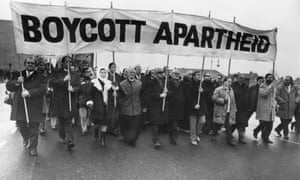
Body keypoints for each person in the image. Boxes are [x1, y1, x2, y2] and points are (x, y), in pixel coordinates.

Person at [6, 56, 47, 156]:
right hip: (21, 106)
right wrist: (17, 82)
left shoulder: (41, 76)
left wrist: (29, 92)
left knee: (34, 127)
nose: (30, 65)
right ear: (25, 64)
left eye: (32, 63)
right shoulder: (19, 74)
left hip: (34, 106)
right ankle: (26, 138)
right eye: (28, 63)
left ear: (35, 65)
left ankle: (33, 147)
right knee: (21, 125)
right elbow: (9, 86)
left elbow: (42, 90)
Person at [49, 56, 80, 150]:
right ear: (62, 63)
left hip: (69, 101)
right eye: (66, 61)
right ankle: (62, 136)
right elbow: (52, 82)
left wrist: (73, 89)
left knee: (68, 120)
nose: (68, 63)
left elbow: (79, 86)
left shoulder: (75, 74)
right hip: (59, 100)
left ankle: (70, 140)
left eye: (70, 61)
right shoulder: (57, 72)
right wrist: (64, 80)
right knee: (61, 121)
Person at [146, 68, 172, 149]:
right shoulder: (151, 83)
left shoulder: (166, 82)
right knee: (155, 123)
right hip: (154, 105)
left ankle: (157, 137)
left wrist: (167, 92)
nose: (161, 74)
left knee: (160, 123)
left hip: (163, 106)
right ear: (156, 74)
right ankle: (155, 140)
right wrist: (160, 95)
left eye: (162, 73)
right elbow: (149, 94)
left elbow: (171, 93)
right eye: (159, 73)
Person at [86, 68, 111, 147]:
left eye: (104, 72)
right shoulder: (94, 82)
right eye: (101, 72)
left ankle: (103, 140)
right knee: (97, 123)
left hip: (106, 106)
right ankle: (96, 132)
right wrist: (90, 101)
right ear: (99, 73)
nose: (103, 74)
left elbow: (112, 94)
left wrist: (114, 92)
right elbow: (89, 93)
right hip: (97, 106)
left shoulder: (109, 83)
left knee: (105, 123)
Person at [119, 68, 142, 146]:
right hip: (126, 106)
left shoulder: (139, 84)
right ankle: (126, 137)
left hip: (136, 106)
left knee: (135, 124)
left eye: (133, 73)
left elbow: (142, 95)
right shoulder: (122, 84)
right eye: (130, 72)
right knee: (126, 124)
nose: (132, 74)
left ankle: (133, 139)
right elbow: (120, 96)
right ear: (127, 74)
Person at [212, 77, 237, 146]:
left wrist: (234, 109)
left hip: (228, 110)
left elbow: (233, 101)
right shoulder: (218, 89)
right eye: (228, 81)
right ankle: (214, 134)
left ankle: (229, 141)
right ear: (224, 82)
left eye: (231, 82)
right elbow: (214, 98)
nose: (230, 83)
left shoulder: (231, 90)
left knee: (228, 126)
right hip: (221, 110)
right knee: (217, 123)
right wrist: (223, 100)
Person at [186, 71, 208, 146]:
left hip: (201, 106)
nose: (199, 76)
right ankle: (193, 138)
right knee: (193, 124)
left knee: (202, 121)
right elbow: (188, 96)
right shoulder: (189, 85)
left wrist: (203, 91)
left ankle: (197, 134)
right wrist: (194, 105)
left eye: (200, 75)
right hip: (193, 107)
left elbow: (207, 94)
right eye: (198, 75)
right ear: (194, 76)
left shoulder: (202, 84)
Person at [255, 73, 278, 144]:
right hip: (264, 108)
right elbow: (264, 94)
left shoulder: (273, 87)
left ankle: (266, 138)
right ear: (266, 78)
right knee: (264, 123)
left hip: (271, 109)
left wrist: (276, 104)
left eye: (271, 78)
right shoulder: (262, 86)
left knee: (270, 125)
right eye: (268, 77)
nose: (270, 79)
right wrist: (270, 87)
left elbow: (274, 97)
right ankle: (256, 130)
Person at [231, 75, 251, 144]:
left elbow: (248, 96)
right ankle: (229, 134)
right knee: (233, 123)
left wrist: (248, 105)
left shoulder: (246, 87)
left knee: (242, 124)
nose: (241, 79)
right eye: (240, 78)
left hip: (243, 109)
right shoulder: (233, 85)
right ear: (237, 78)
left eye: (243, 78)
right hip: (235, 107)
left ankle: (241, 138)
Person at [168, 70, 185, 145]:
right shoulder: (168, 82)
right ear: (172, 75)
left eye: (178, 74)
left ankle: (173, 136)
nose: (177, 75)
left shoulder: (181, 83)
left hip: (179, 105)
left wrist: (183, 99)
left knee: (175, 122)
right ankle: (173, 136)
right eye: (175, 74)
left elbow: (184, 92)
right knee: (172, 122)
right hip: (171, 104)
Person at [107, 62, 122, 136]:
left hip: (116, 97)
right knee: (109, 114)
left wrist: (117, 89)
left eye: (115, 67)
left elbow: (120, 85)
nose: (114, 68)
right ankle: (108, 128)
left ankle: (115, 129)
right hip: (109, 97)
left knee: (116, 114)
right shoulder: (107, 76)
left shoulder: (118, 76)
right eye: (112, 67)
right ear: (109, 68)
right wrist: (110, 88)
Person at [78, 67, 93, 136]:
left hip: (90, 99)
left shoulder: (92, 80)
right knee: (83, 116)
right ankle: (83, 128)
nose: (88, 73)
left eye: (89, 72)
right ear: (84, 73)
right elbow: (79, 89)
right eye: (87, 72)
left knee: (89, 114)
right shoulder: (80, 80)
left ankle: (87, 123)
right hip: (82, 99)